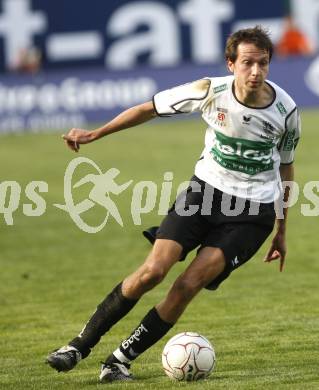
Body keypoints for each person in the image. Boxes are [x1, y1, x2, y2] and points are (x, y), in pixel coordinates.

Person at [46, 26, 301, 382]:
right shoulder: (211, 91)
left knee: (188, 284)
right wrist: (96, 133)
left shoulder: (286, 112)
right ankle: (77, 346)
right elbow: (149, 108)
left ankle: (119, 360)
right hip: (204, 193)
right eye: (247, 63)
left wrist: (281, 228)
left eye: (263, 63)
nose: (255, 72)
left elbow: (286, 167)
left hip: (250, 214)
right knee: (153, 271)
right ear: (231, 64)